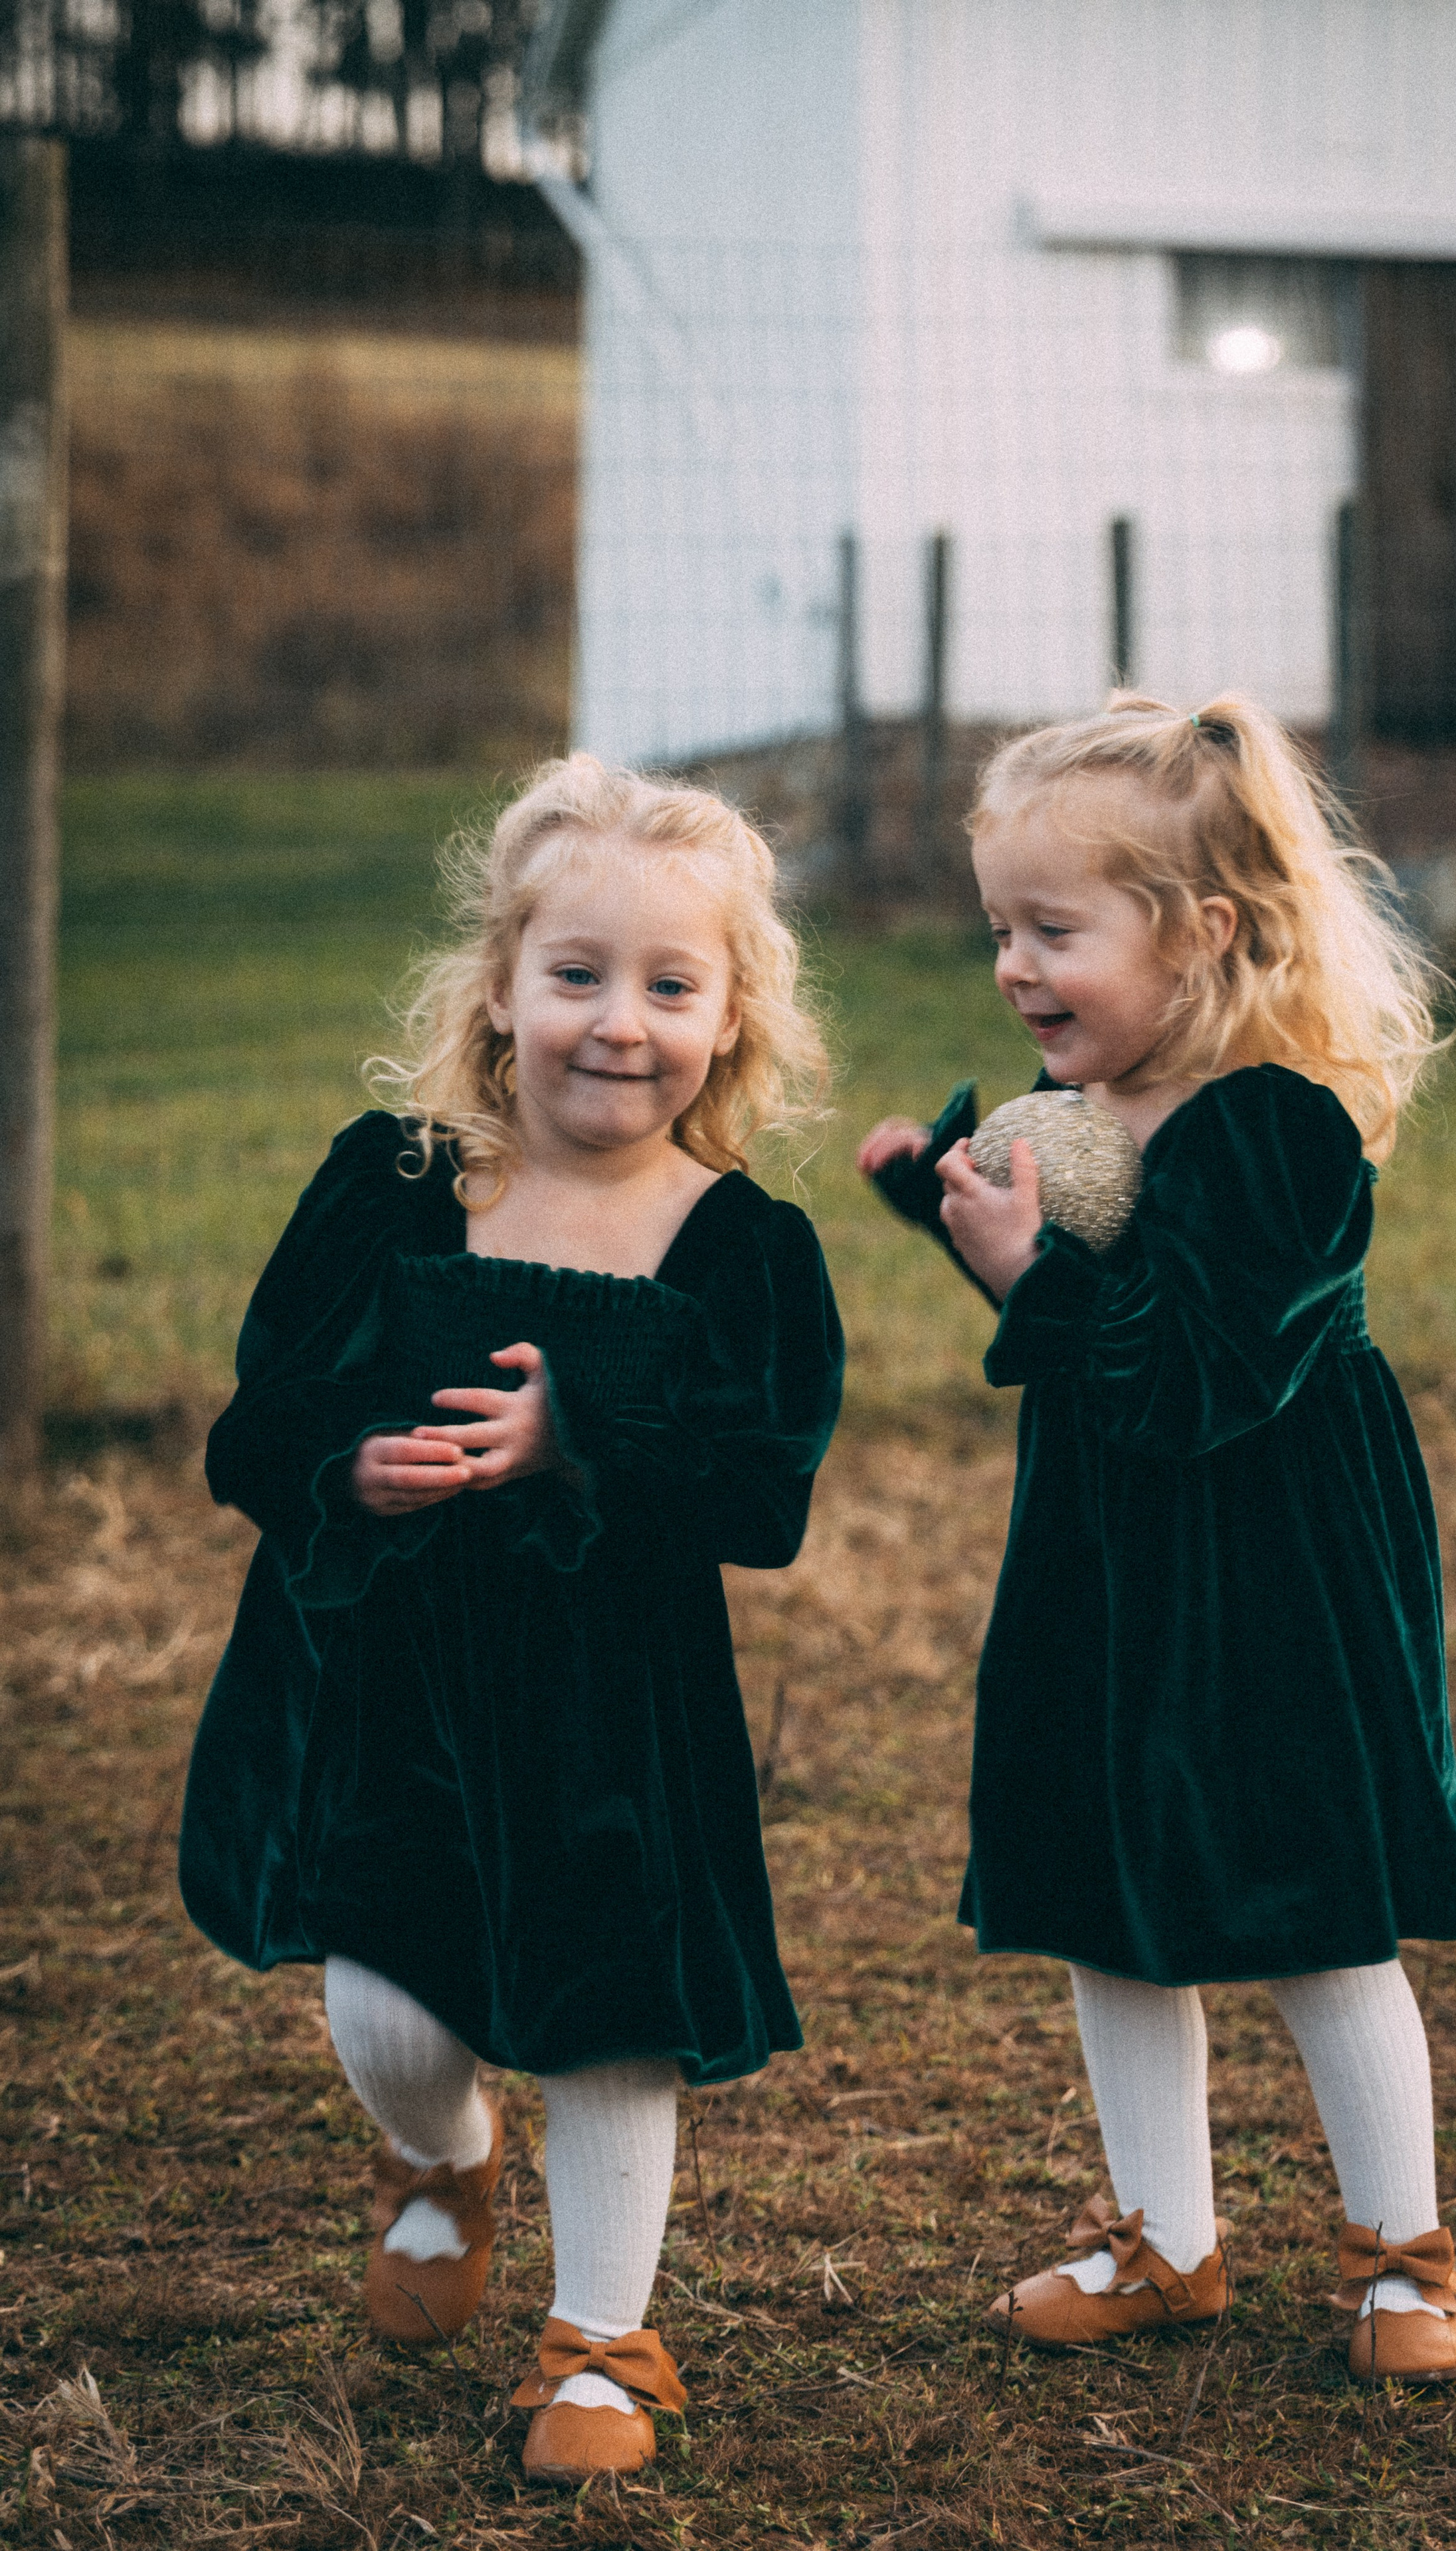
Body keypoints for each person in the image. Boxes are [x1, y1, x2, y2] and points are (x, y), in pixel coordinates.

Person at [181, 755, 843, 2479]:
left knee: (611, 2012)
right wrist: (347, 1466)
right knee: (391, 2007)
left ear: (731, 1016)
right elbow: (252, 1426)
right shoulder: (398, 1183)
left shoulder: (738, 1248)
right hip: (396, 1682)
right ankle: (444, 2151)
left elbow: (761, 1492)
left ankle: (606, 2344)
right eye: (578, 975)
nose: (619, 1022)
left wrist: (581, 1438)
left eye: (670, 985)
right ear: (499, 989)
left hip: (616, 1704)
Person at [860, 694, 1456, 2386]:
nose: (1011, 965)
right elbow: (1089, 1326)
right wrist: (953, 1207)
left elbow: (1191, 1376)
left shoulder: (1276, 1128)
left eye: (1052, 930)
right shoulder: (1089, 1113)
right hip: (1106, 1559)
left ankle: (1402, 2254)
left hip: (1271, 1567)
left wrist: (1025, 1276)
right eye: (999, 926)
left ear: (1200, 933)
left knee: (1307, 1905)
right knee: (1107, 1886)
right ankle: (1168, 2240)